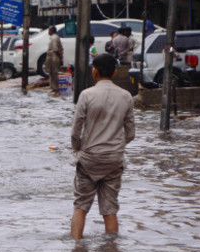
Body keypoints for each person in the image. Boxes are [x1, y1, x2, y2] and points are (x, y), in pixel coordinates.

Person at [70, 53, 135, 240]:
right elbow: (130, 133)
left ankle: (76, 249)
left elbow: (75, 131)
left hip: (89, 158)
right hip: (114, 160)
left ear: (95, 71)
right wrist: (115, 146)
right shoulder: (126, 96)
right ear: (115, 71)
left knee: (81, 206)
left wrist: (78, 150)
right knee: (110, 209)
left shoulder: (86, 95)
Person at [46, 25, 63, 95]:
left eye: (49, 30)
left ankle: (56, 89)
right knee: (51, 73)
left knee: (54, 73)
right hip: (51, 57)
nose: (48, 32)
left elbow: (56, 49)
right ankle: (53, 88)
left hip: (54, 57)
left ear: (51, 31)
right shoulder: (52, 38)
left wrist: (60, 58)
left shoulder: (55, 38)